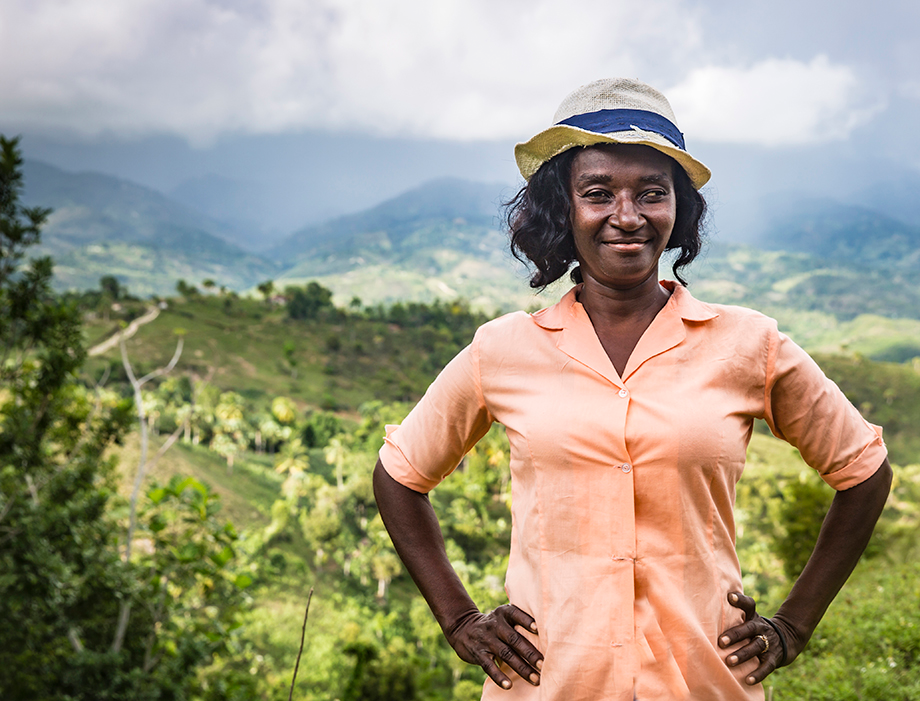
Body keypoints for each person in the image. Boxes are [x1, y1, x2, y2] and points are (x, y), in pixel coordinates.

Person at [374, 78, 892, 701]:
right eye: (598, 194)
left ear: (679, 210)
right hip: (549, 685)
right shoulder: (502, 351)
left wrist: (793, 625)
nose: (627, 216)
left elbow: (863, 470)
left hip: (703, 684)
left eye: (652, 193)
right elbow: (399, 476)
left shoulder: (749, 345)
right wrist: (459, 619)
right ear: (563, 209)